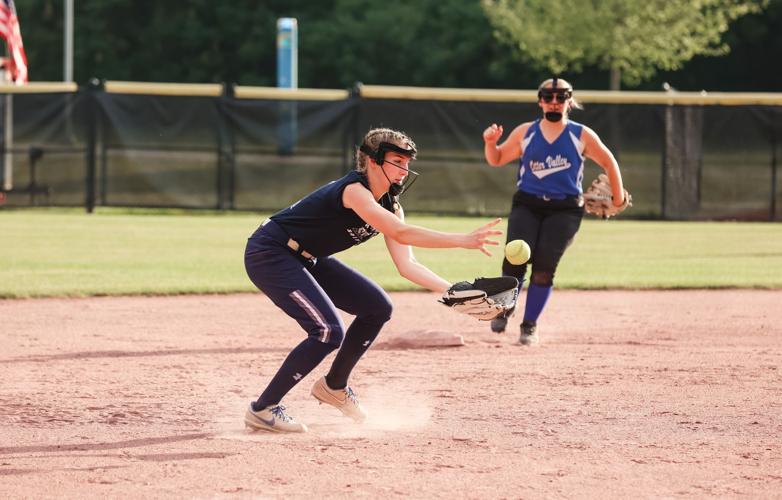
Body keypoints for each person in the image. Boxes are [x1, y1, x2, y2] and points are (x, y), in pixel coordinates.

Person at [243, 127, 503, 433]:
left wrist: (454, 292)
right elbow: (401, 233)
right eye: (396, 160)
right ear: (372, 160)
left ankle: (334, 386)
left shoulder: (391, 206)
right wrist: (461, 240)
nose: (404, 170)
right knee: (327, 331)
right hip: (271, 252)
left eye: (407, 162)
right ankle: (263, 408)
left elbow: (407, 264)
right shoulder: (354, 191)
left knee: (377, 307)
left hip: (307, 257)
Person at [482, 77, 627, 345]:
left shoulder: (580, 134)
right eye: (548, 96)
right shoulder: (526, 132)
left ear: (569, 102)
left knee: (544, 267)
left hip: (565, 209)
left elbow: (609, 162)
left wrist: (618, 198)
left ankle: (529, 325)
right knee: (515, 259)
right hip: (528, 203)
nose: (554, 102)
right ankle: (504, 308)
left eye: (561, 97)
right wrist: (490, 143)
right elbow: (498, 159)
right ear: (540, 101)